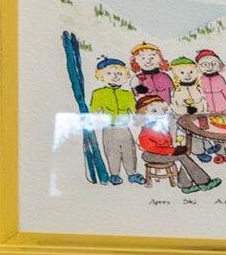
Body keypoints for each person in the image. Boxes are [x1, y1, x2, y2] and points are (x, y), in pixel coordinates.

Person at [135, 96, 215, 193]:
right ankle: (203, 182)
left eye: (163, 110)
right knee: (182, 157)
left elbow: (168, 141)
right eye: (154, 111)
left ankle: (186, 184)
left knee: (184, 156)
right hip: (151, 155)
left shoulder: (161, 126)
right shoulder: (147, 130)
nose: (161, 113)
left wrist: (175, 147)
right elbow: (151, 147)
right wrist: (173, 151)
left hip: (164, 152)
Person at [86, 56, 137, 184]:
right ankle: (114, 174)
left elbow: (135, 111)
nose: (114, 76)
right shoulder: (98, 93)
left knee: (129, 151)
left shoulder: (128, 94)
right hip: (109, 129)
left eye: (119, 73)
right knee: (112, 152)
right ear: (101, 76)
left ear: (125, 75)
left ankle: (132, 174)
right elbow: (93, 111)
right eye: (109, 73)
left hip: (124, 128)